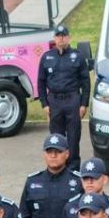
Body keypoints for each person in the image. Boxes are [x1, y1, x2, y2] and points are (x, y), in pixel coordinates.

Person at [37, 26, 90, 169]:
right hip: (54, 101)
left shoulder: (77, 56)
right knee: (56, 139)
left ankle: (73, 171)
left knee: (73, 139)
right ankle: (59, 169)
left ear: (69, 38)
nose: (61, 39)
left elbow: (85, 82)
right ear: (54, 38)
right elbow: (41, 82)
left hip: (72, 100)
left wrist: (83, 104)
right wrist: (44, 104)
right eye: (58, 36)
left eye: (63, 36)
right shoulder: (47, 57)